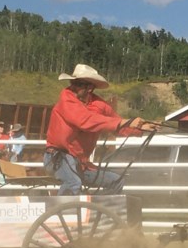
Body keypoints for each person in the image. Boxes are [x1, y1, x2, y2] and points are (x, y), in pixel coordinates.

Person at [44, 64, 158, 195]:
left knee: (116, 181)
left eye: (88, 86)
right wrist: (127, 122)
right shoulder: (67, 100)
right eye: (80, 84)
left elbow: (118, 126)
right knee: (73, 182)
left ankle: (97, 212)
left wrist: (142, 128)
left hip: (80, 163)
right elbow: (85, 121)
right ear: (73, 84)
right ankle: (66, 212)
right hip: (59, 157)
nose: (85, 89)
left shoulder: (99, 105)